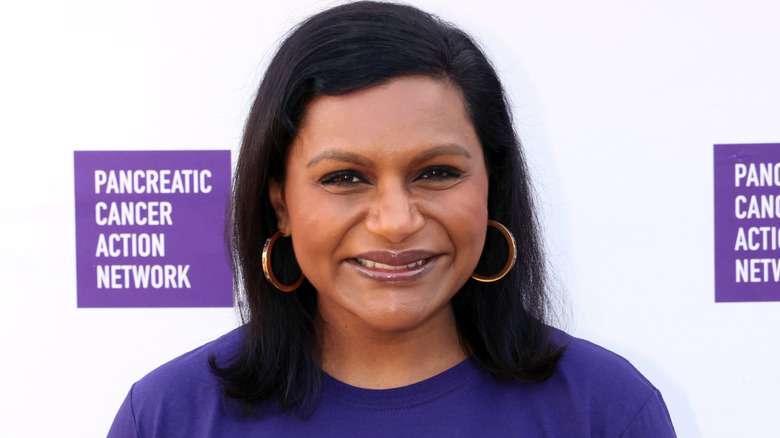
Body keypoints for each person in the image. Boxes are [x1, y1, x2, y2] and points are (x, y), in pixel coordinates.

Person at [108, 2, 676, 436]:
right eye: (345, 178)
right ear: (280, 202)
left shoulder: (607, 410)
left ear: (490, 185)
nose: (395, 221)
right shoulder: (169, 416)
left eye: (436, 172)